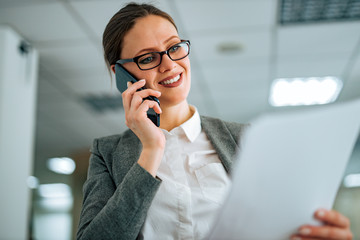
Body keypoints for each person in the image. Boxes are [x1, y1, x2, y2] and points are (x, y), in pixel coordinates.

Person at [77, 3, 353, 240]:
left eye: (174, 47)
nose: (170, 65)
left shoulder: (247, 138)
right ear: (121, 73)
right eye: (148, 58)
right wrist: (151, 149)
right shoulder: (107, 153)